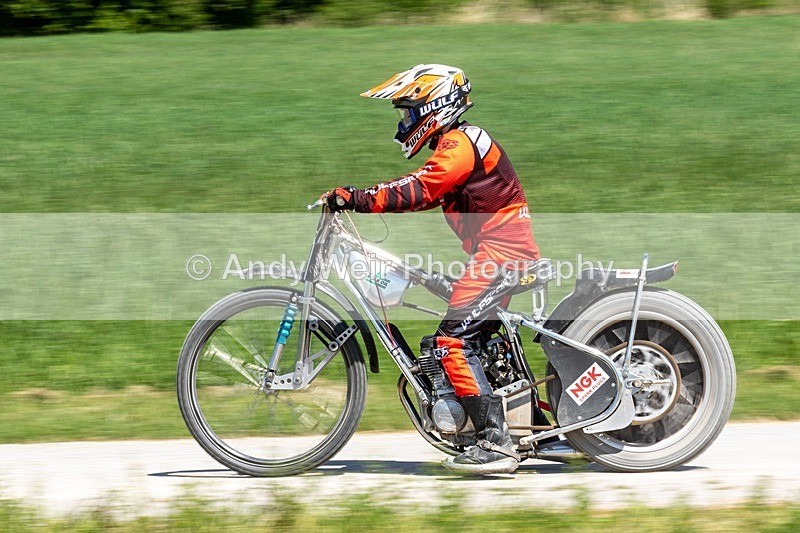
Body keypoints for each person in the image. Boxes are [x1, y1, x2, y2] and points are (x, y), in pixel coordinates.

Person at [323, 64, 540, 474]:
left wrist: (356, 198)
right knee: (444, 342)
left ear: (434, 107)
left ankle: (497, 444)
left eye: (409, 113)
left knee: (451, 343)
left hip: (502, 255)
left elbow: (422, 188)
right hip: (493, 253)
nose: (405, 124)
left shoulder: (459, 144)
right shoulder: (458, 142)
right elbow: (428, 190)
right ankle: (501, 423)